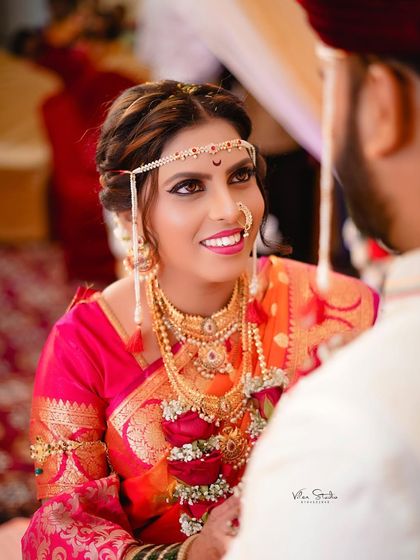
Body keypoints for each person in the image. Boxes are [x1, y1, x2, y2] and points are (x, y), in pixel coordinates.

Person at [22, 80, 376, 560]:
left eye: (240, 176)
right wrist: (192, 553)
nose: (230, 210)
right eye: (189, 187)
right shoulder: (84, 346)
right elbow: (63, 531)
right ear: (130, 216)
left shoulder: (339, 308)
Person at [224, 2, 420, 559]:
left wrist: (288, 493)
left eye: (325, 89)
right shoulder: (91, 336)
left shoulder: (349, 428)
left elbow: (321, 498)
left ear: (381, 104)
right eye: (188, 186)